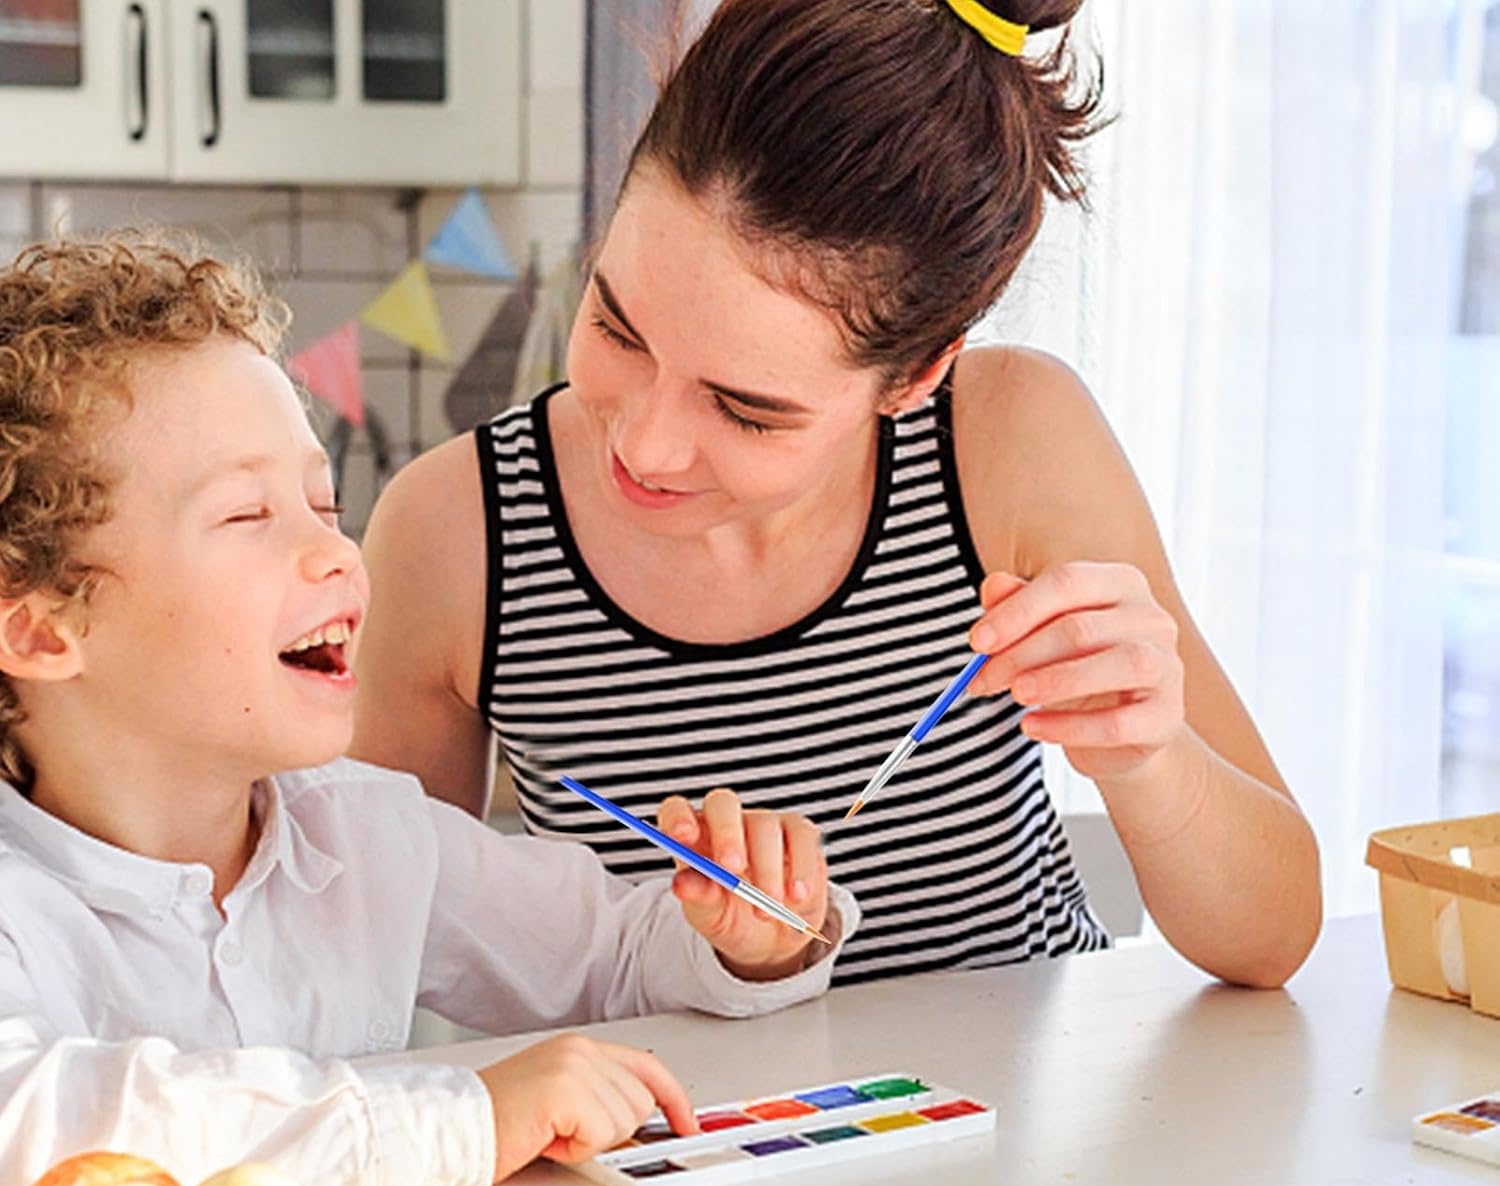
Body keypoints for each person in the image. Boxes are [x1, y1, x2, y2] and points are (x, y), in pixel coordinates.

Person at [352, 0, 1320, 990]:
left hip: (1031, 1092)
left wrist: (1148, 756)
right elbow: (359, 955)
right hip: (661, 1099)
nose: (644, 445)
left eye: (746, 411)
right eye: (615, 326)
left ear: (916, 377)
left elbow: (1272, 940)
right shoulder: (458, 533)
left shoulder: (1008, 441)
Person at [0, 233, 856, 1186]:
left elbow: (611, 960)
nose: (337, 553)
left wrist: (747, 938)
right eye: (247, 516)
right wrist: (464, 1121)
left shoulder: (367, 834)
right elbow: (38, 1128)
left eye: (325, 503)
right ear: (39, 628)